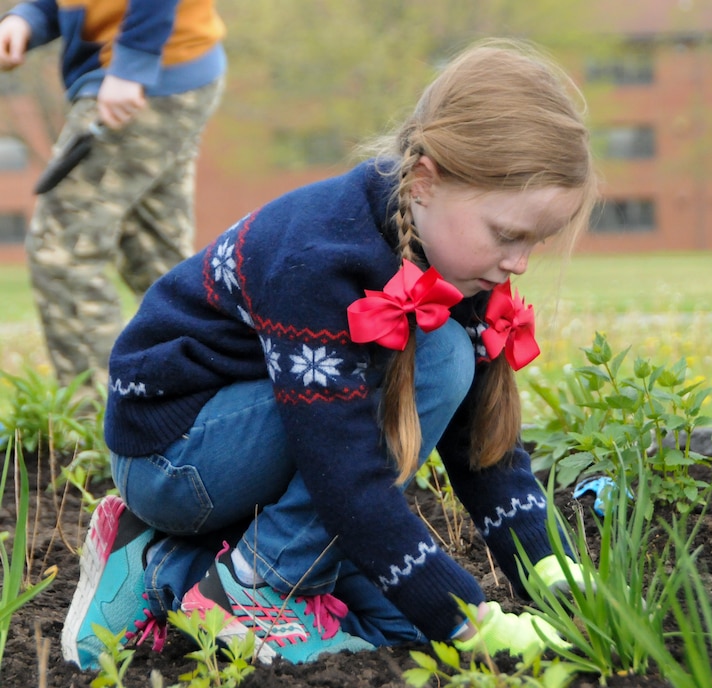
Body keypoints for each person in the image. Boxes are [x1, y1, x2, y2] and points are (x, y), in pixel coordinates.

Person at [60, 39, 600, 670]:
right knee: (442, 357)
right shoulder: (317, 260)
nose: (520, 263)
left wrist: (553, 577)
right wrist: (473, 620)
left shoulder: (458, 260)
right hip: (175, 455)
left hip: (268, 441)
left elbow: (484, 453)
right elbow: (344, 473)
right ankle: (249, 586)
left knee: (405, 632)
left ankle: (179, 569)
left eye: (536, 241)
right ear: (425, 180)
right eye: (508, 235)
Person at [0, 0, 226, 389]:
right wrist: (29, 17)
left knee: (63, 254)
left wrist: (132, 64)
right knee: (156, 260)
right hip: (163, 73)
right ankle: (219, 397)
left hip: (141, 76)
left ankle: (99, 424)